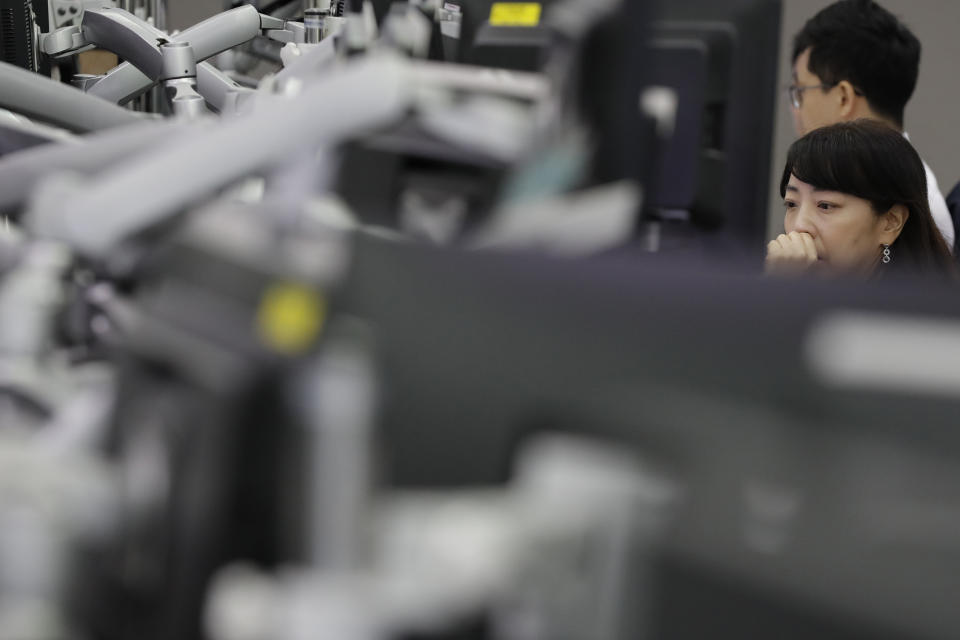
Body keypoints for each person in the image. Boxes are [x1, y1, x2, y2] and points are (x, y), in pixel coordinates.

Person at [788, 0, 955, 250]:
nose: (794, 108)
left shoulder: (917, 203)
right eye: (790, 204)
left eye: (800, 92)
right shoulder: (902, 185)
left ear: (843, 97)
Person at [767, 120, 955, 278]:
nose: (799, 227)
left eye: (825, 205)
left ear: (890, 223)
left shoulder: (913, 315)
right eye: (791, 204)